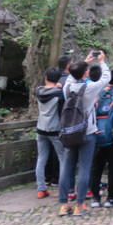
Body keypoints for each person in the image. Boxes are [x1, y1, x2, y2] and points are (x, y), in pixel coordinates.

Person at [57, 51, 111, 217]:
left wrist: (84, 62)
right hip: (87, 132)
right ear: (86, 73)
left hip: (69, 131)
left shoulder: (67, 87)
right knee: (85, 168)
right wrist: (102, 61)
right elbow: (106, 78)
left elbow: (72, 76)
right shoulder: (89, 88)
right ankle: (80, 205)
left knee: (67, 167)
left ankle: (64, 204)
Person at [89, 68, 113, 208]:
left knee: (96, 167)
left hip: (97, 135)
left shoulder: (98, 94)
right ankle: (111, 197)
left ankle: (95, 198)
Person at [35, 67, 65, 199]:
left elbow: (46, 88)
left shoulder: (38, 91)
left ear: (45, 77)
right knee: (62, 158)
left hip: (41, 128)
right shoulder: (59, 94)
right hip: (55, 129)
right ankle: (64, 189)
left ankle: (41, 189)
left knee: (41, 159)